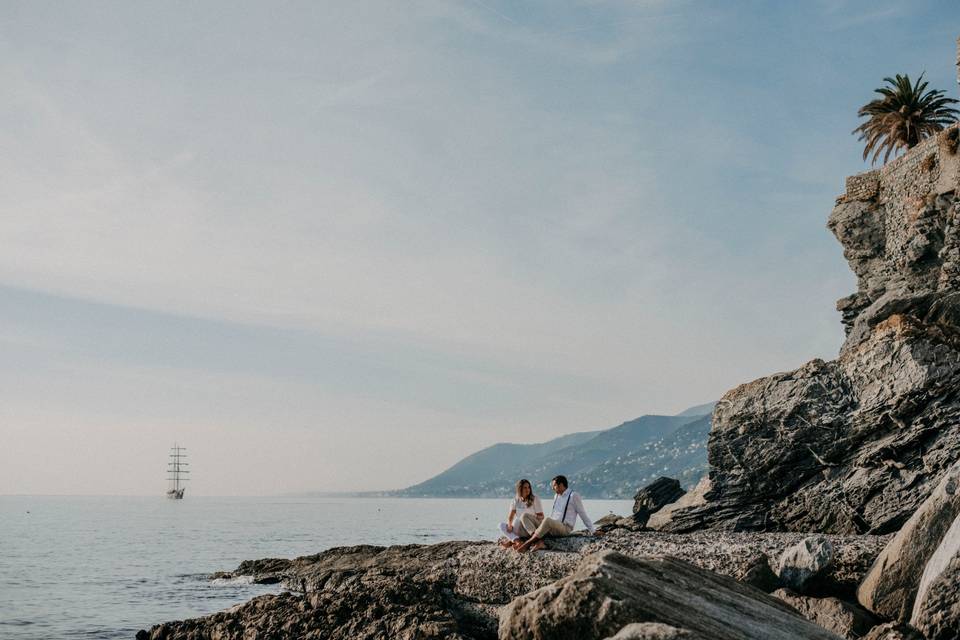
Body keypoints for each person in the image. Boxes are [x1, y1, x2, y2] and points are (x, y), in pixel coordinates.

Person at [515, 475, 600, 552]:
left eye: (554, 486)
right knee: (524, 516)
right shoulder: (556, 496)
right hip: (553, 526)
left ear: (561, 485)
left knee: (547, 520)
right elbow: (555, 515)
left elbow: (583, 514)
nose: (552, 488)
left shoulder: (573, 496)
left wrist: (593, 531)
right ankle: (538, 541)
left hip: (565, 527)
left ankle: (528, 543)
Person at [497, 478, 543, 548]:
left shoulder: (535, 499)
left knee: (518, 519)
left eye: (528, 487)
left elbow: (541, 516)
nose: (527, 489)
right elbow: (511, 516)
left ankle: (511, 542)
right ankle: (517, 541)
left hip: (531, 528)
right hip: (519, 528)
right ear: (520, 489)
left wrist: (530, 518)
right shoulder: (516, 500)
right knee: (501, 525)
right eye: (525, 488)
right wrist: (509, 525)